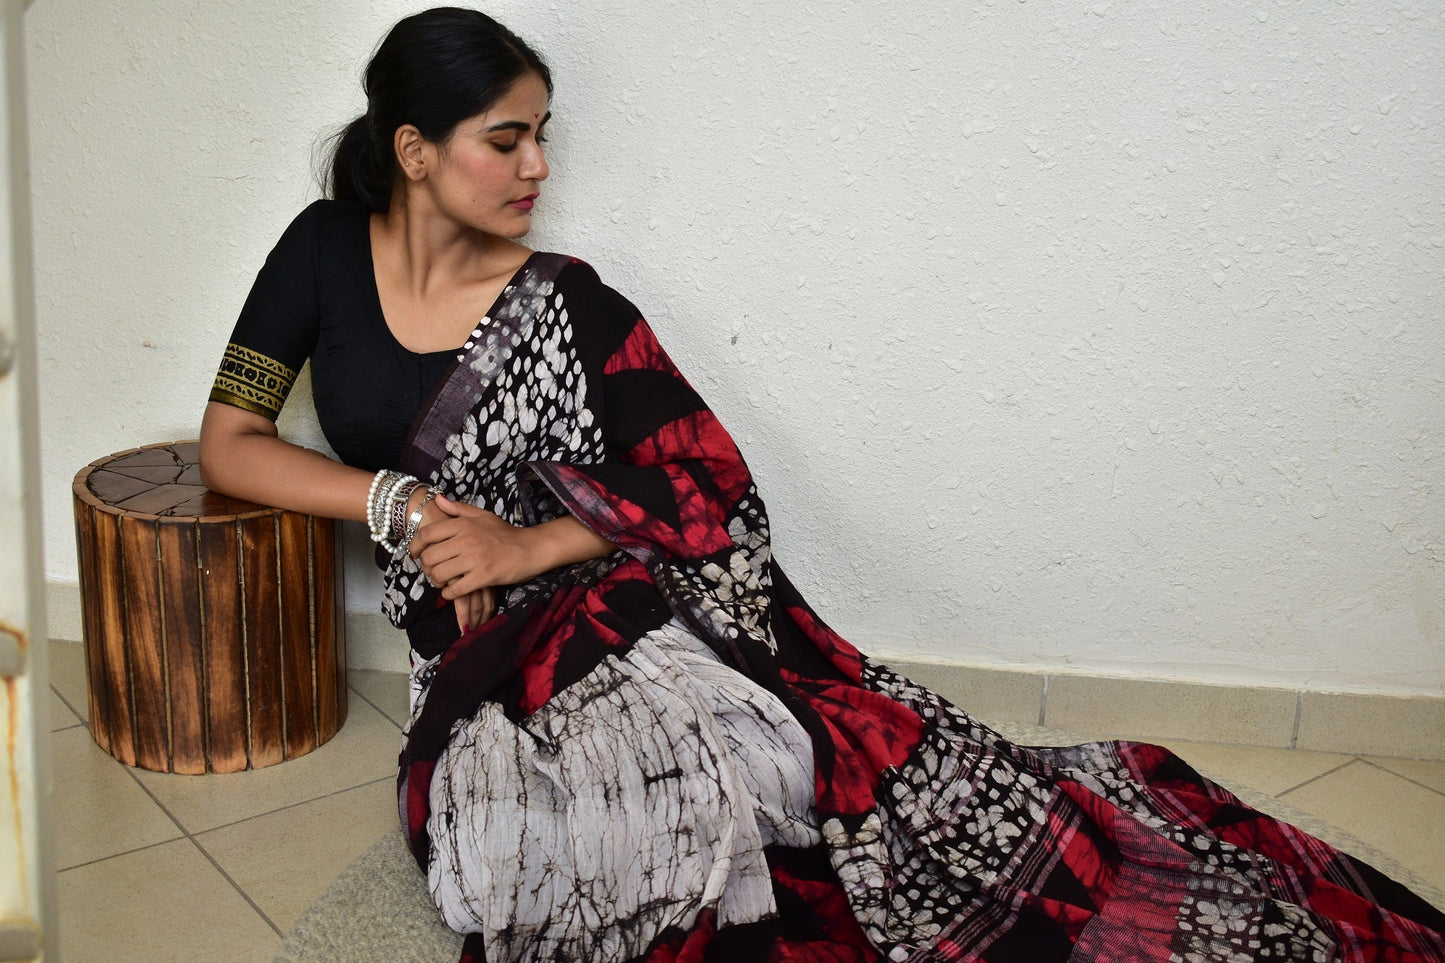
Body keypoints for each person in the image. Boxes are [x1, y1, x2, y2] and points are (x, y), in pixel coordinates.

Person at [200, 8, 1445, 962]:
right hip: (462, 638)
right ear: (414, 151)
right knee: (524, 851)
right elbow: (231, 441)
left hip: (606, 602)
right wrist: (405, 508)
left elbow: (706, 482)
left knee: (758, 786)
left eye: (544, 135)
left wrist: (527, 547)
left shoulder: (569, 301)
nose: (536, 165)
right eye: (505, 138)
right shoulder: (319, 253)